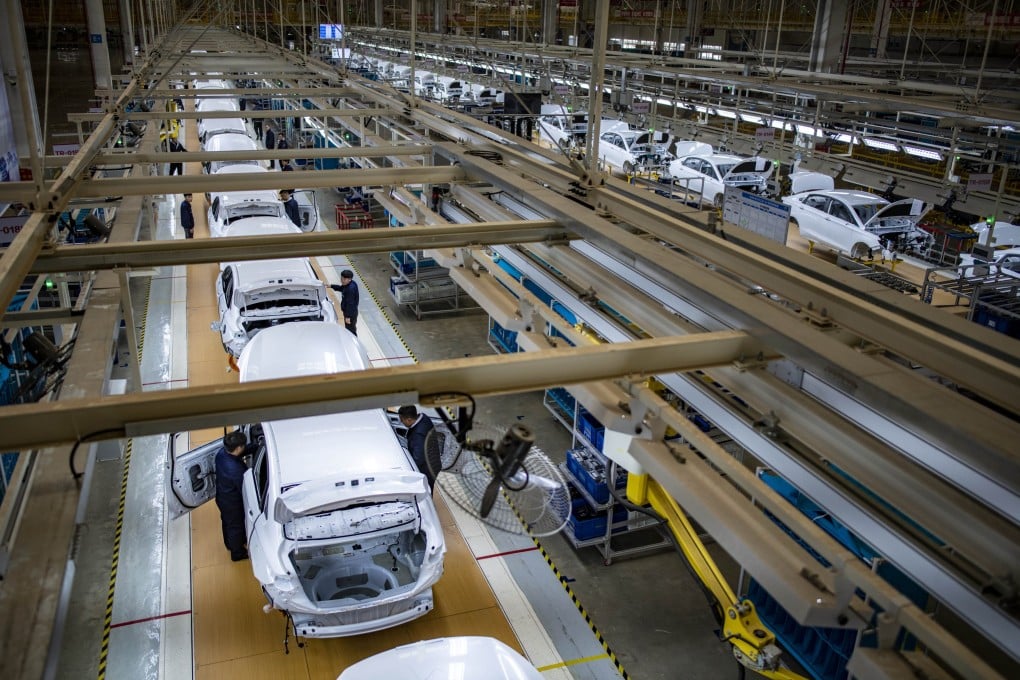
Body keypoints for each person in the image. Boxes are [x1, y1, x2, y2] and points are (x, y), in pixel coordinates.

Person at [215, 430, 254, 561]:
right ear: (238, 448)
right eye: (243, 445)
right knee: (236, 527)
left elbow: (239, 454)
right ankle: (237, 553)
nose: (244, 447)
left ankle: (229, 544)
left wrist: (256, 446)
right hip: (233, 503)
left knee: (227, 523)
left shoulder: (221, 453)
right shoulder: (236, 470)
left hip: (222, 497)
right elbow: (246, 489)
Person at [398, 405, 437, 491]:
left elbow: (418, 459)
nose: (401, 422)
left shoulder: (418, 435)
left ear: (409, 419)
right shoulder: (424, 418)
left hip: (426, 471)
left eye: (402, 420)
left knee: (426, 492)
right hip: (434, 463)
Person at [330, 269, 360, 335]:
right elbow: (342, 288)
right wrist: (331, 286)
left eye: (343, 279)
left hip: (350, 313)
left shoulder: (350, 290)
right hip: (350, 312)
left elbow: (350, 304)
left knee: (350, 331)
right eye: (341, 278)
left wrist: (348, 317)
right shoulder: (350, 283)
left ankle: (353, 343)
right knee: (350, 329)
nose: (341, 280)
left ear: (349, 279)